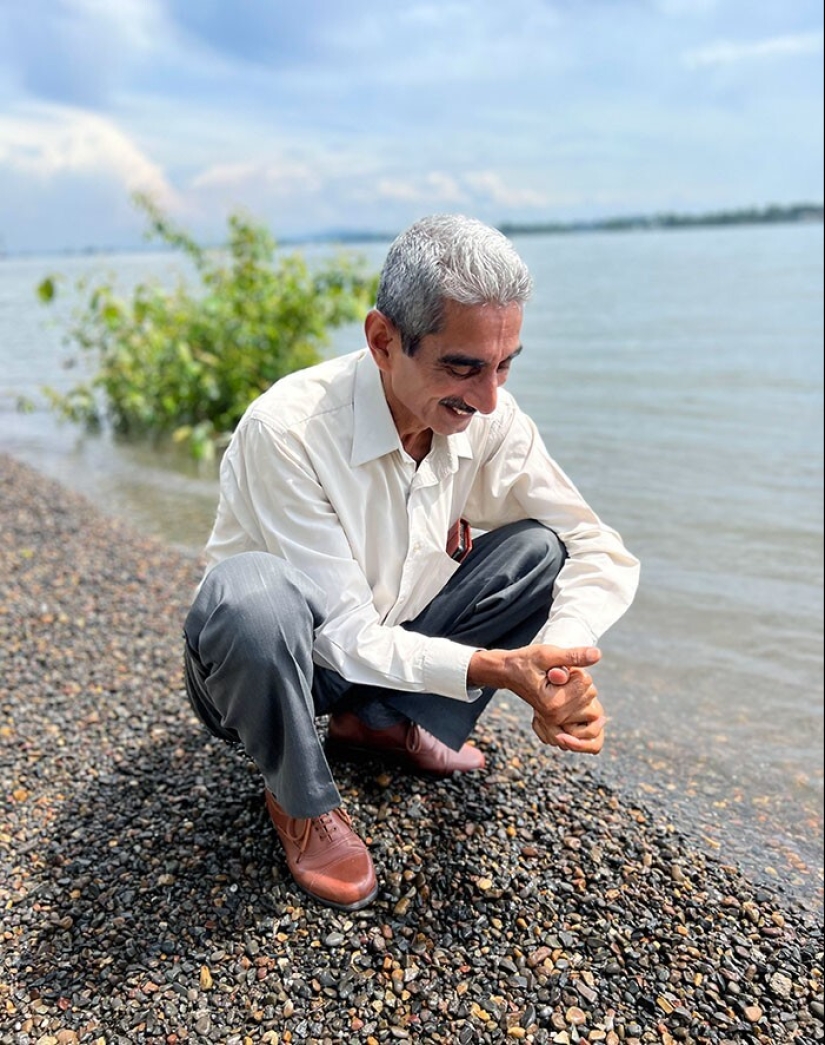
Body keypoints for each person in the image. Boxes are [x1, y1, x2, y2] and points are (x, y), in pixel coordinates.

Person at [183, 214, 640, 911]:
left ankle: (378, 722)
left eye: (504, 365)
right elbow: (342, 634)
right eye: (462, 366)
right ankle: (298, 797)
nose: (487, 398)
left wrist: (557, 662)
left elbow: (595, 545)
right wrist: (496, 669)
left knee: (538, 551)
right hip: (266, 669)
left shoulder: (489, 417)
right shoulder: (288, 430)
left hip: (379, 644)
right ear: (382, 340)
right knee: (253, 596)